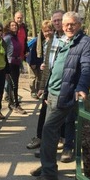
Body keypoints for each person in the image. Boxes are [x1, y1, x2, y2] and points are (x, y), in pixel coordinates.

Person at [30, 11, 90, 180]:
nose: (69, 27)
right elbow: (53, 67)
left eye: (72, 24)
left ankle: (49, 174)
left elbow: (88, 67)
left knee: (48, 131)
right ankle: (48, 166)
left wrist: (82, 87)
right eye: (66, 24)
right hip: (52, 93)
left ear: (79, 25)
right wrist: (44, 91)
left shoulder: (86, 43)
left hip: (65, 95)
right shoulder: (62, 40)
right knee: (49, 135)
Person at [26, 20, 54, 150]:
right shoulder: (44, 43)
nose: (47, 33)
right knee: (44, 111)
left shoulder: (56, 43)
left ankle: (47, 141)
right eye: (45, 31)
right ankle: (40, 137)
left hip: (53, 82)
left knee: (49, 113)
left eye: (50, 30)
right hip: (47, 81)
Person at [3, 20, 27, 114]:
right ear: (9, 27)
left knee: (15, 84)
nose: (14, 27)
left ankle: (13, 102)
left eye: (15, 25)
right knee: (13, 85)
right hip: (10, 63)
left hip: (17, 63)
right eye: (12, 25)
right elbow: (3, 49)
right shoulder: (7, 38)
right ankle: (15, 104)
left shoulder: (15, 37)